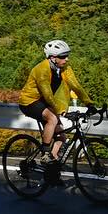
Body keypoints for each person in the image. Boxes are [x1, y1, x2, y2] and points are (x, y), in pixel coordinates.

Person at [18, 39, 94, 185]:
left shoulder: (65, 68)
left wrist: (89, 103)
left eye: (67, 56)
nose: (67, 59)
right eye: (63, 56)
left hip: (45, 102)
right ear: (53, 58)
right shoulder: (42, 69)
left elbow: (76, 86)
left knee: (62, 137)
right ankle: (45, 153)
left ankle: (51, 172)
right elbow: (47, 94)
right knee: (52, 119)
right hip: (29, 101)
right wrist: (59, 111)